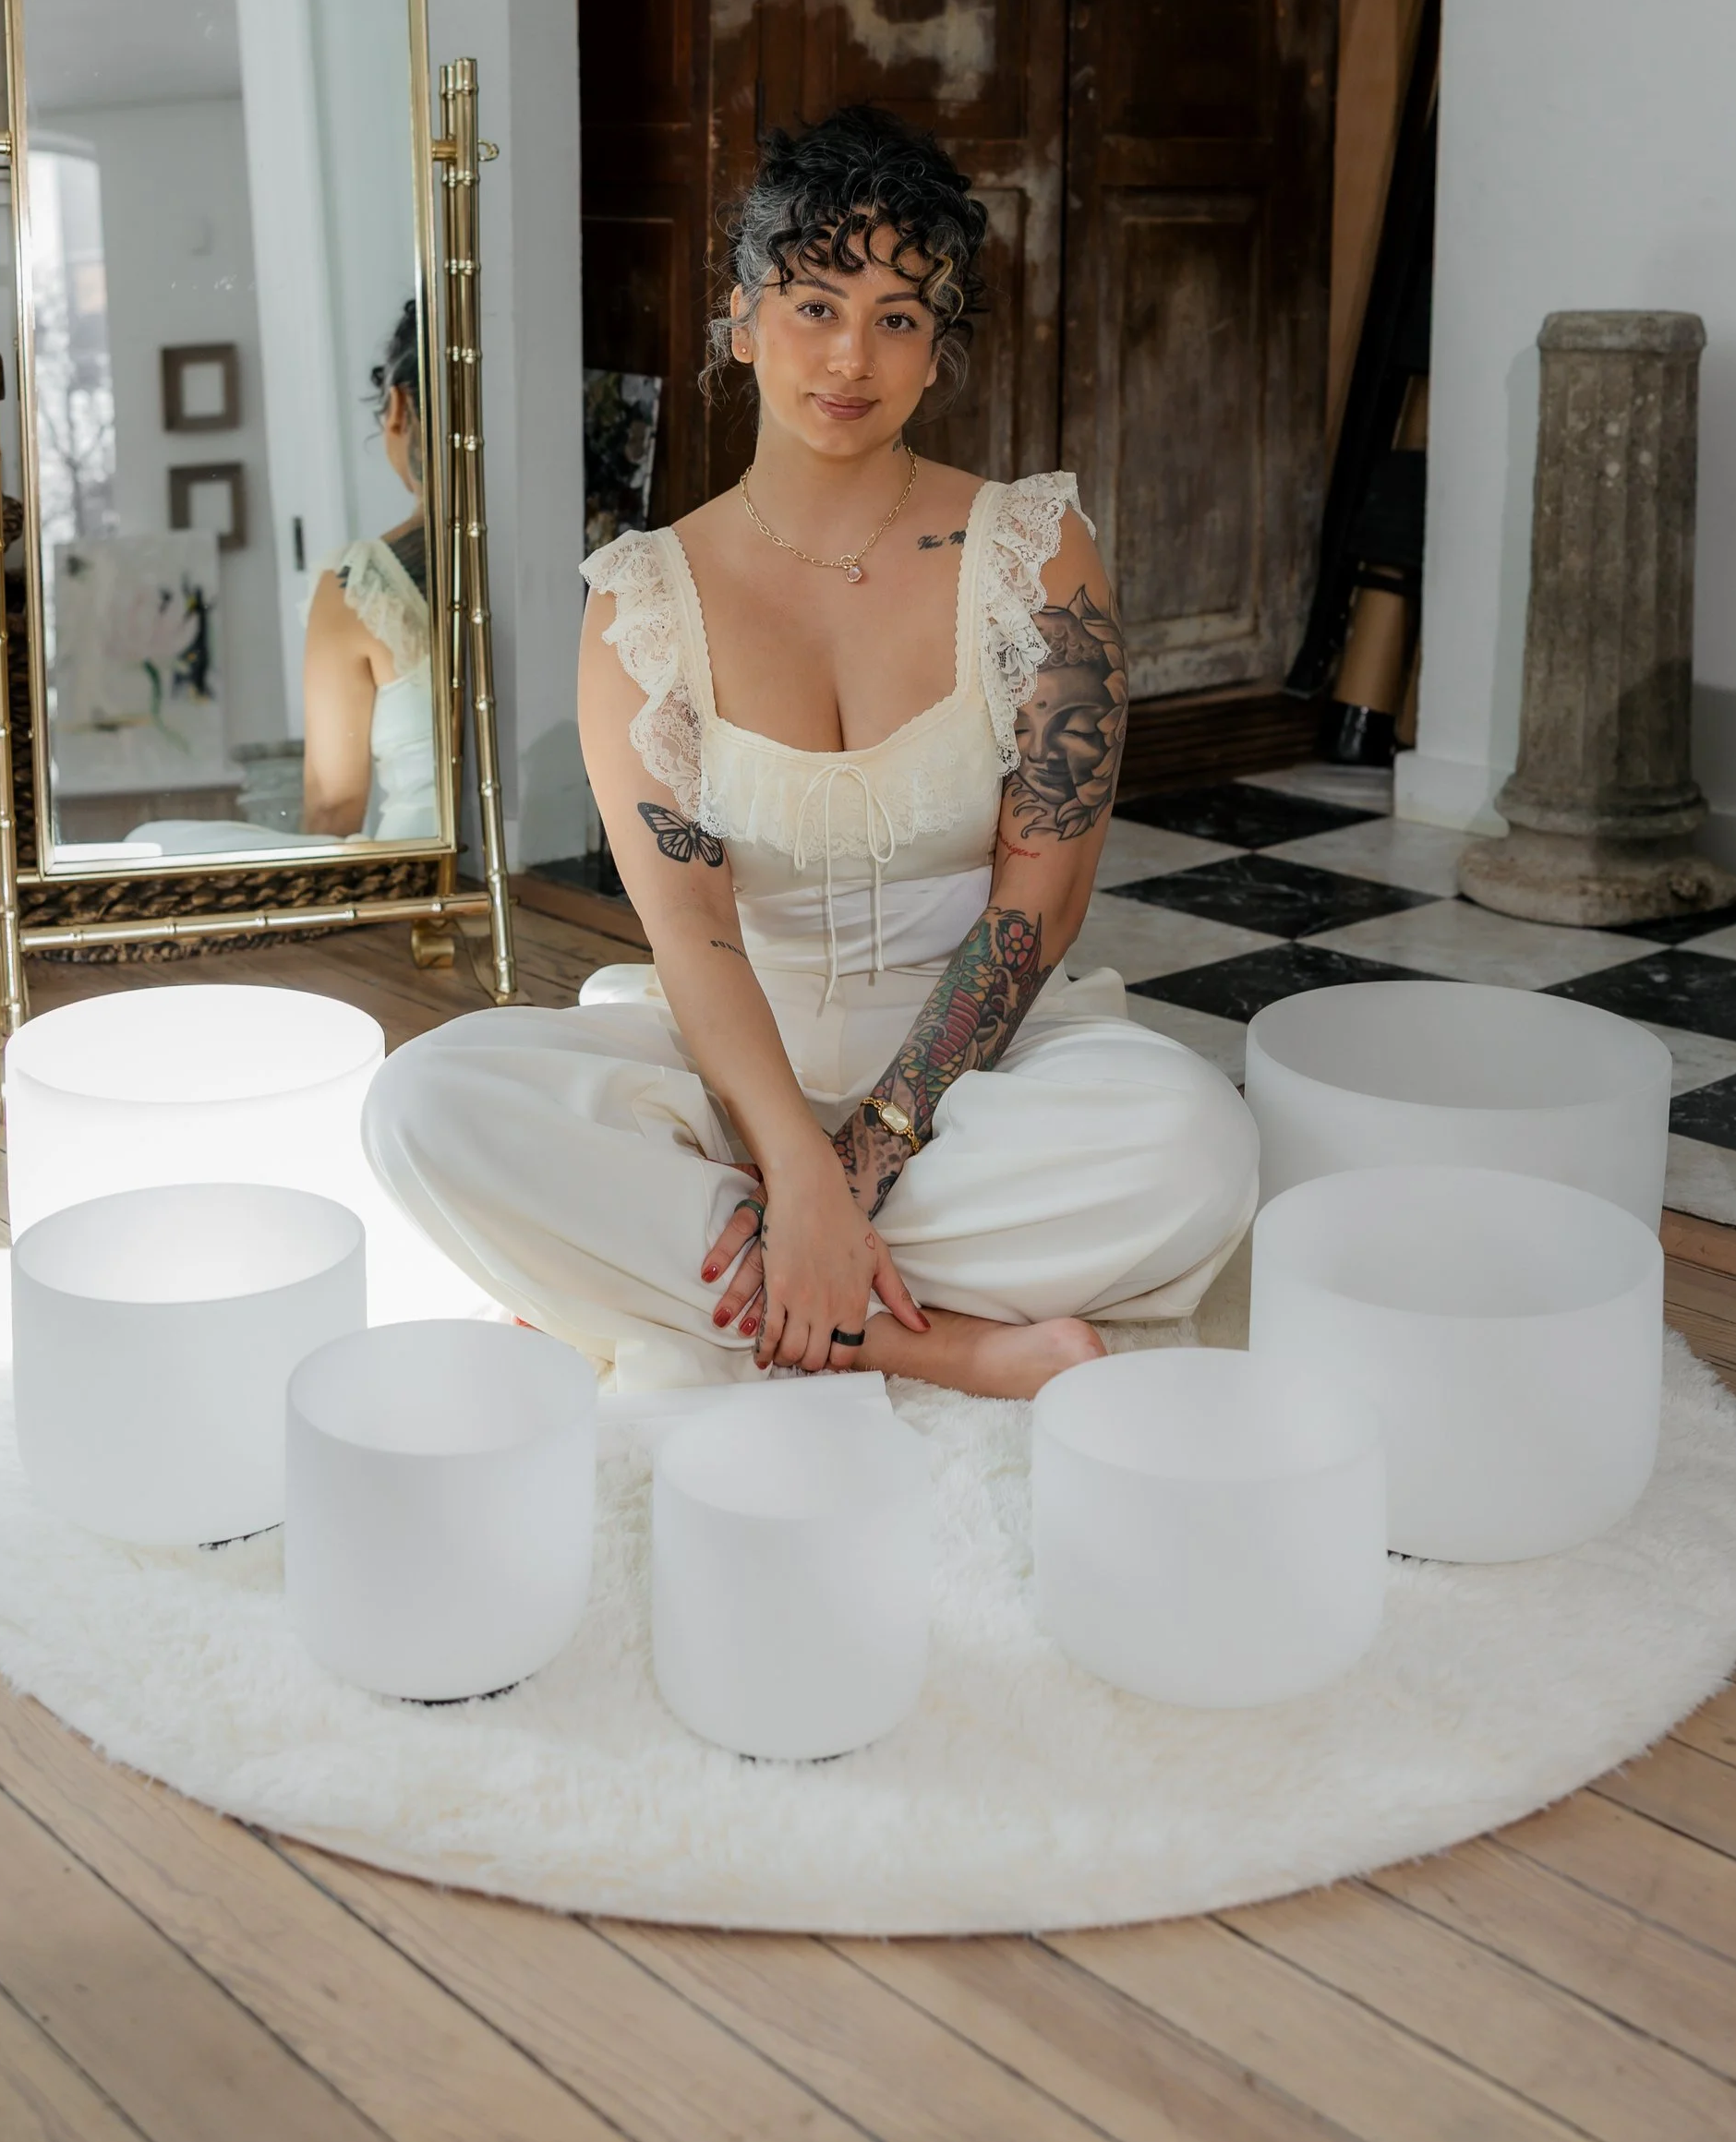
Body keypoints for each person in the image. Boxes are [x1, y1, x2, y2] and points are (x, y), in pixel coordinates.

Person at [364, 109, 1258, 1394]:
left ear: (940, 349)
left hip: (981, 1066)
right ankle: (920, 1337)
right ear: (741, 319)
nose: (851, 356)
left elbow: (1038, 904)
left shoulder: (1032, 551)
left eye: (899, 317)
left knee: (1195, 1148)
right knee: (424, 1107)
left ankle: (717, 1280)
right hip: (732, 1058)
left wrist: (863, 1161)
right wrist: (791, 1162)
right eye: (816, 306)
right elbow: (691, 930)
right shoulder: (641, 602)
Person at [299, 297, 439, 842]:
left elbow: (332, 808)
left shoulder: (359, 586)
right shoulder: (603, 561)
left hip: (421, 878)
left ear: (399, 408)